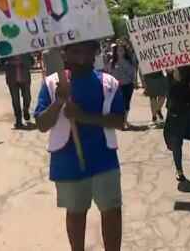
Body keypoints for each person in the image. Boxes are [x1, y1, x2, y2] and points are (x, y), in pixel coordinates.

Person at [34, 41, 126, 251]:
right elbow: (41, 124)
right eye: (75, 51)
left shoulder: (108, 82)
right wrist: (57, 103)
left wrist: (83, 116)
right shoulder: (51, 84)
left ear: (95, 53)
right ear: (64, 54)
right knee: (76, 215)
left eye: (87, 50)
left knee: (112, 212)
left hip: (104, 161)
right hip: (67, 164)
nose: (81, 57)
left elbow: (119, 121)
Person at [107, 44, 137, 129]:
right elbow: (109, 74)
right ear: (115, 52)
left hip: (128, 85)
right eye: (118, 50)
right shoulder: (112, 62)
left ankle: (124, 121)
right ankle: (122, 122)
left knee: (126, 104)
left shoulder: (128, 61)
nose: (120, 52)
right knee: (120, 104)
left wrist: (133, 81)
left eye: (122, 50)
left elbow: (132, 72)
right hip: (117, 87)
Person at [4, 53, 34, 128]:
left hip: (25, 78)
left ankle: (25, 109)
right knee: (15, 100)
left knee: (27, 98)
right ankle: (18, 120)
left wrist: (24, 62)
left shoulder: (25, 51)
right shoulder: (6, 51)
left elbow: (32, 62)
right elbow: (0, 65)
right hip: (12, 79)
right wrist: (9, 63)